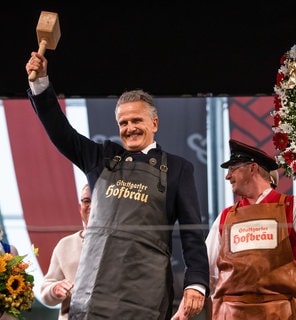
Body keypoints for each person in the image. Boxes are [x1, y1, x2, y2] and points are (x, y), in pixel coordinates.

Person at [25, 52, 210, 320]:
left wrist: (196, 283)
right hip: (94, 294)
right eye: (123, 123)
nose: (130, 128)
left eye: (137, 121)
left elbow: (192, 233)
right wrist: (41, 83)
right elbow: (59, 130)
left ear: (154, 123)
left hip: (146, 296)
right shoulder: (99, 159)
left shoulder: (179, 169)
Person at [172, 139, 296, 320]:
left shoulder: (293, 209)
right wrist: (184, 309)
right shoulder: (225, 217)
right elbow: (207, 269)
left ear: (252, 168)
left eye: (233, 168)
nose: (227, 176)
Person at [40, 184, 91, 320]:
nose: (91, 206)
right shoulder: (65, 245)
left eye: (96, 201)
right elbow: (46, 290)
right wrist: (55, 289)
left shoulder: (121, 243)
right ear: (79, 207)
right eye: (86, 201)